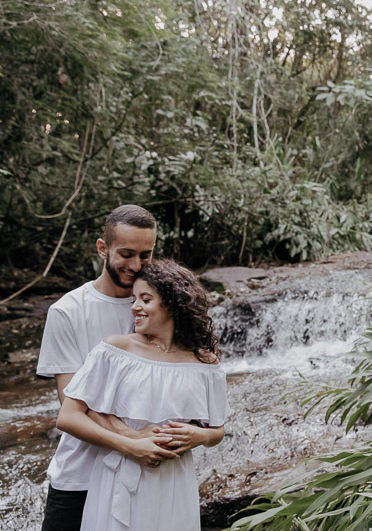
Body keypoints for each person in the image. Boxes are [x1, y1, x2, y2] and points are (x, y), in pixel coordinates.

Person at [36, 205, 181, 531]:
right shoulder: (68, 311)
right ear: (103, 249)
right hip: (80, 476)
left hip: (143, 474)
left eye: (146, 254)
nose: (136, 265)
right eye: (126, 254)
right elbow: (71, 403)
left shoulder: (162, 307)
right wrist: (133, 439)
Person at [56, 259, 229, 530]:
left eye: (145, 299)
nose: (135, 306)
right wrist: (130, 445)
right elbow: (67, 417)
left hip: (174, 481)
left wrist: (201, 436)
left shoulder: (205, 364)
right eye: (134, 298)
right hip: (119, 474)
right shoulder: (115, 350)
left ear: (172, 303)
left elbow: (217, 431)